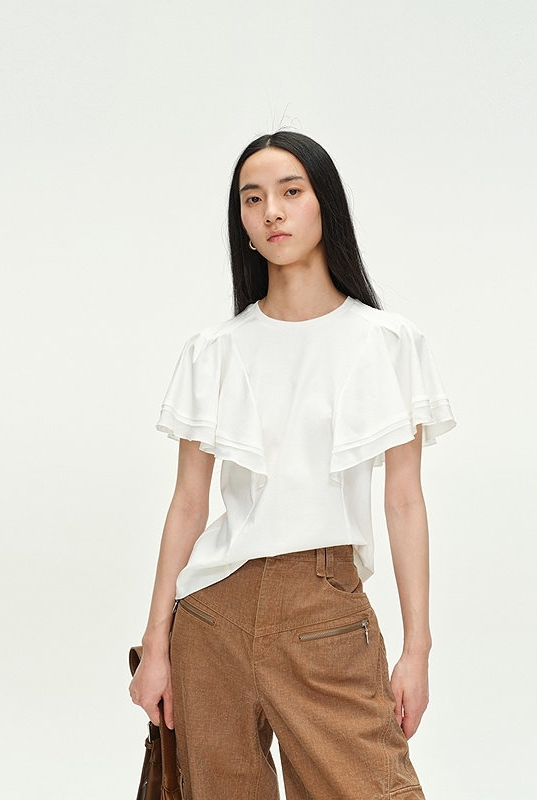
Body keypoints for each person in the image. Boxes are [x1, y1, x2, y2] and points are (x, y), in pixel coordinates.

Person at [129, 131, 456, 799]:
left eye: (290, 191)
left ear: (324, 203)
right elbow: (189, 504)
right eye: (252, 199)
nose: (271, 211)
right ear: (242, 223)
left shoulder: (387, 342)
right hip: (211, 617)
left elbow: (404, 500)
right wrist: (155, 644)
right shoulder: (214, 351)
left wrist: (417, 650)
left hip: (324, 613)